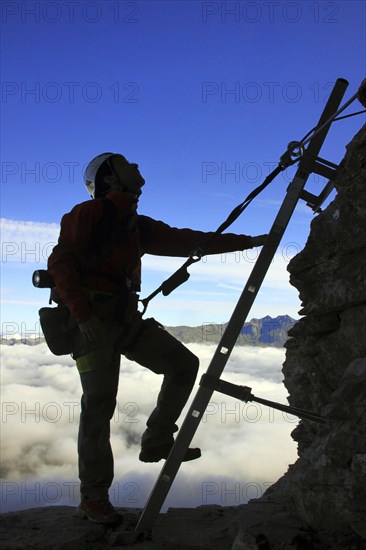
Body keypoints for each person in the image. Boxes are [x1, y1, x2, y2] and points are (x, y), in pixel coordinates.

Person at [47, 152, 267, 525]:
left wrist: (246, 242)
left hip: (124, 319)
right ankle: (93, 498)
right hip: (93, 324)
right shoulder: (89, 214)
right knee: (99, 405)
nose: (136, 167)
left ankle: (157, 439)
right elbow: (60, 262)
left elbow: (189, 241)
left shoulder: (137, 225)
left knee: (184, 365)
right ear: (110, 179)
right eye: (125, 164)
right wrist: (83, 317)